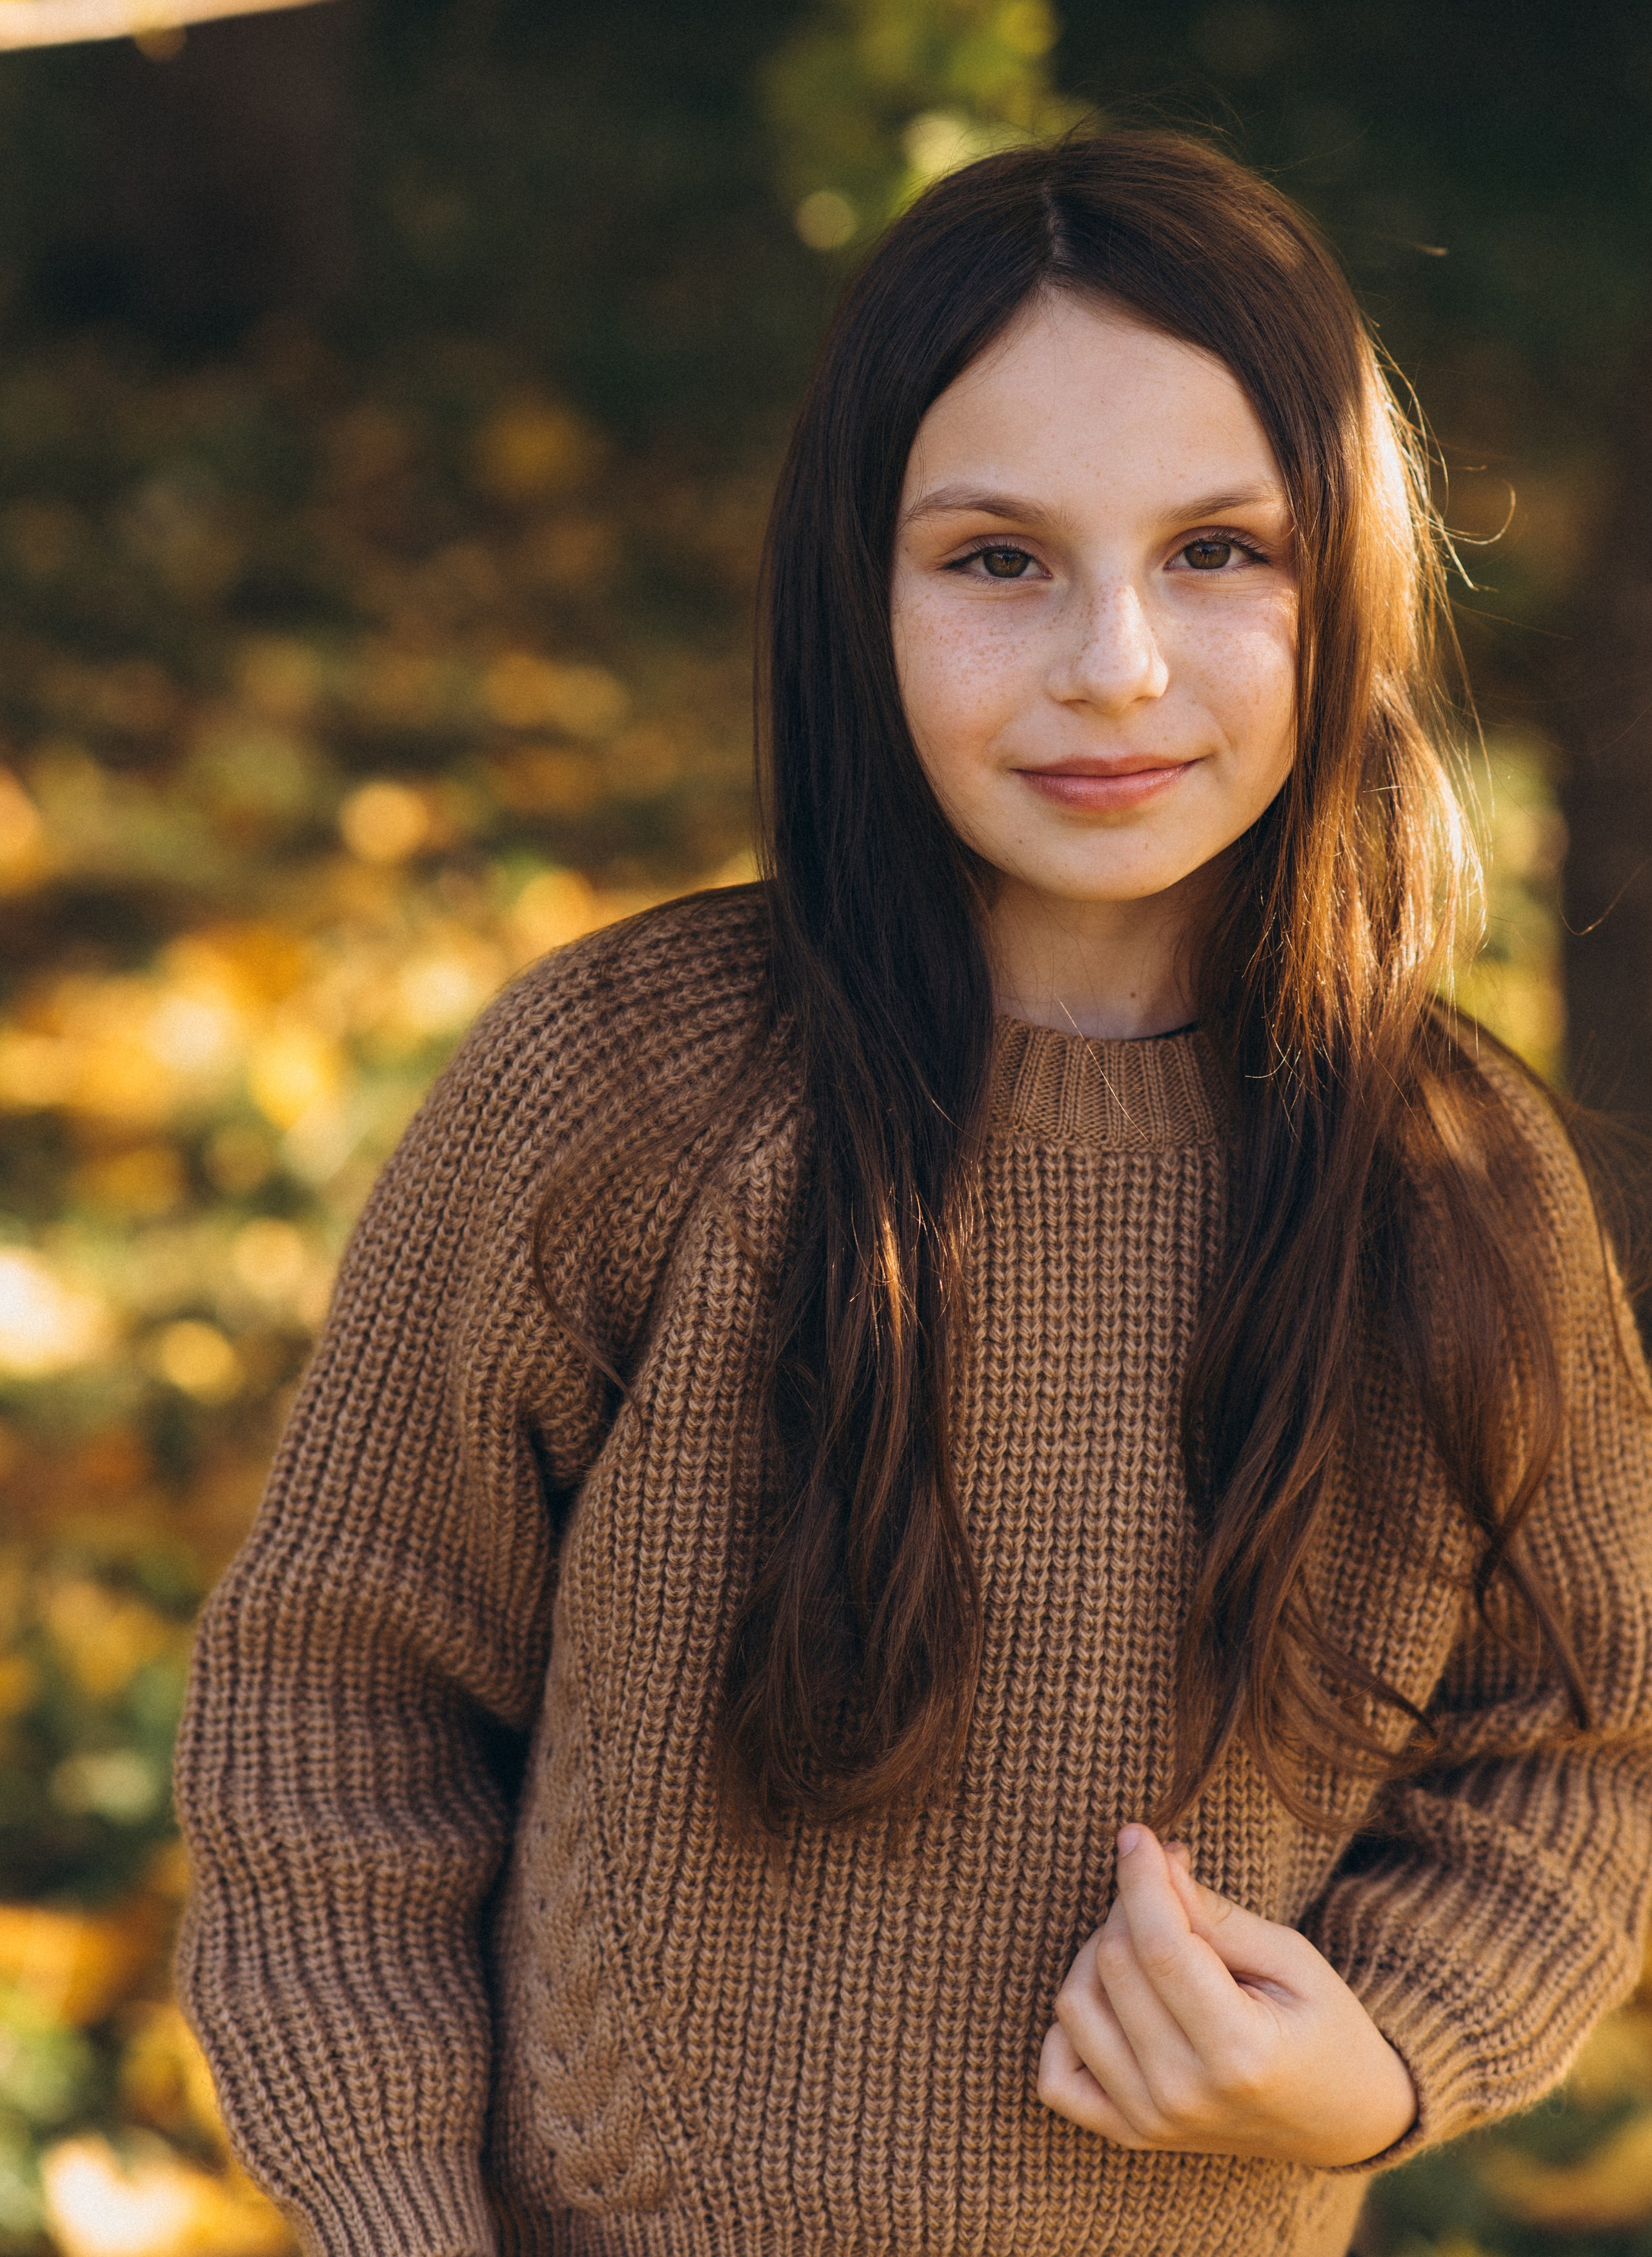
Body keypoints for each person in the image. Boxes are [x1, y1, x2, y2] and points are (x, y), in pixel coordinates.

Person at [172, 132, 1652, 2257]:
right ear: (853, 591)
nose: (1116, 665)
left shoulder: (1458, 1194)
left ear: (1356, 582)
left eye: (1222, 551)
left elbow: (1582, 1739)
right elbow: (339, 1703)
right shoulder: (625, 1097)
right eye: (997, 561)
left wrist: (1388, 2055)